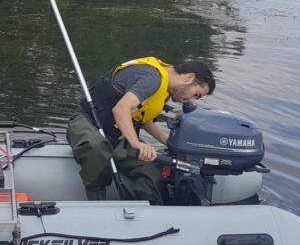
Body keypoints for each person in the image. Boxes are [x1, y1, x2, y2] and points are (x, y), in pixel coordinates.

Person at [67, 57, 215, 204]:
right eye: (196, 94)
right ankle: (96, 201)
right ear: (189, 78)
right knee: (96, 147)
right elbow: (121, 109)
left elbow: (143, 119)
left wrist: (170, 143)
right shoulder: (152, 79)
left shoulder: (166, 87)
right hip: (87, 122)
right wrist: (135, 142)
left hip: (116, 135)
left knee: (151, 168)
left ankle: (143, 207)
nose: (192, 100)